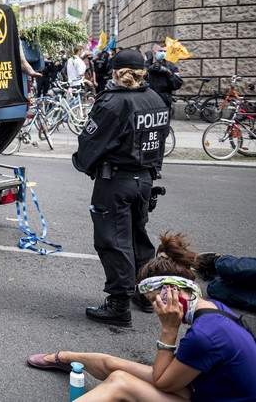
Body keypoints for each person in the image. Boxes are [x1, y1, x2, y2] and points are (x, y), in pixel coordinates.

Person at [27, 232, 256, 401]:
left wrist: (169, 330)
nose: (154, 308)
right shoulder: (213, 308)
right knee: (113, 364)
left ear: (170, 292)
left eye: (152, 299)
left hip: (206, 394)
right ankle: (65, 357)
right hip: (208, 387)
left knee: (120, 382)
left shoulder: (205, 335)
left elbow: (162, 382)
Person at [72, 49, 170, 326]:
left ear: (115, 72)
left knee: (113, 241)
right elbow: (159, 142)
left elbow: (90, 144)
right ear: (143, 72)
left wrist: (83, 164)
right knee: (138, 237)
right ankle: (145, 293)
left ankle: (118, 305)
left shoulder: (113, 103)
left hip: (116, 180)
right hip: (145, 179)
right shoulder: (156, 99)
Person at [145, 43, 183, 110]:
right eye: (160, 51)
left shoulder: (170, 66)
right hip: (147, 101)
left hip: (164, 102)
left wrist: (169, 73)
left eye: (165, 51)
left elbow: (177, 84)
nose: (163, 53)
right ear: (153, 51)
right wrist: (148, 70)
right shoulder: (145, 65)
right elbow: (136, 81)